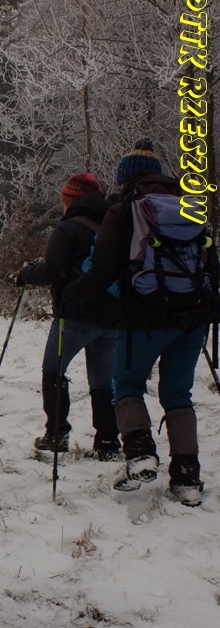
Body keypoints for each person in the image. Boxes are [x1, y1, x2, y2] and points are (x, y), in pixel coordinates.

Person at [63, 139, 219, 505]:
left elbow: (102, 270)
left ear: (125, 179)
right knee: (178, 394)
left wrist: (70, 293)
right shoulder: (190, 207)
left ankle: (140, 453)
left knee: (127, 385)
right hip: (192, 318)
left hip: (143, 317)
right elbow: (211, 266)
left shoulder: (123, 211)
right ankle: (187, 478)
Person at [16, 172, 120, 461]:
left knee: (54, 369)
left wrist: (25, 274)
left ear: (72, 200)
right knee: (102, 381)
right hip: (111, 314)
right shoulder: (113, 224)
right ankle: (108, 440)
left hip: (74, 313)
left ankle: (57, 433)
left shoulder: (68, 228)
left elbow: (51, 270)